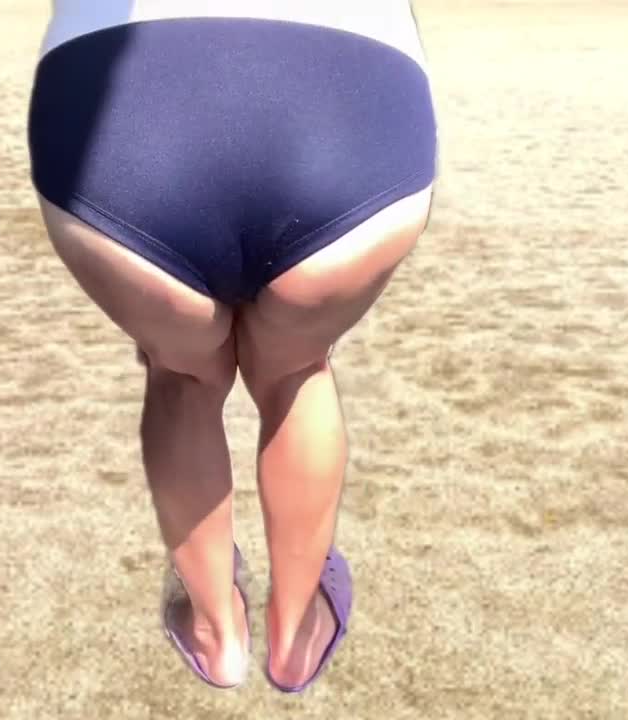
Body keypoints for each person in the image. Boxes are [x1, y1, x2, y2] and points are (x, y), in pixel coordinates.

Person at [27, 0, 437, 692]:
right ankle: (296, 633)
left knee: (182, 374)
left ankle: (216, 633)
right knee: (297, 369)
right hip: (352, 85)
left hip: (123, 113)